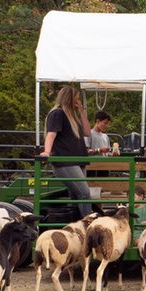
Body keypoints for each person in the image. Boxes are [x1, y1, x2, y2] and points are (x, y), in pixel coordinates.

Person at [40, 86, 93, 218]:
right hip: (66, 162)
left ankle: (77, 224)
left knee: (77, 195)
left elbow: (87, 132)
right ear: (70, 98)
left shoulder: (72, 116)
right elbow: (51, 134)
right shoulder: (57, 113)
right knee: (84, 193)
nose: (78, 100)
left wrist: (81, 112)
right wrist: (47, 151)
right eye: (76, 98)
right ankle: (88, 224)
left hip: (78, 160)